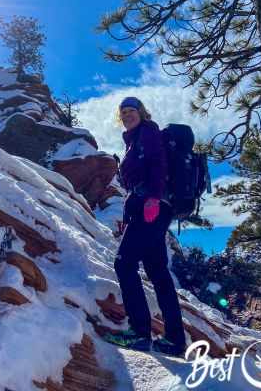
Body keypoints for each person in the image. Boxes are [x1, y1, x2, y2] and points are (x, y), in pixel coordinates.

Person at [103, 96, 187, 357]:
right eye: (124, 111)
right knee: (159, 273)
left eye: (132, 110)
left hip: (152, 206)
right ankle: (175, 340)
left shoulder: (148, 132)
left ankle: (139, 333)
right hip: (148, 209)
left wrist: (152, 198)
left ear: (141, 113)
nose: (127, 115)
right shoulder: (133, 140)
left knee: (124, 263)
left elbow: (158, 164)